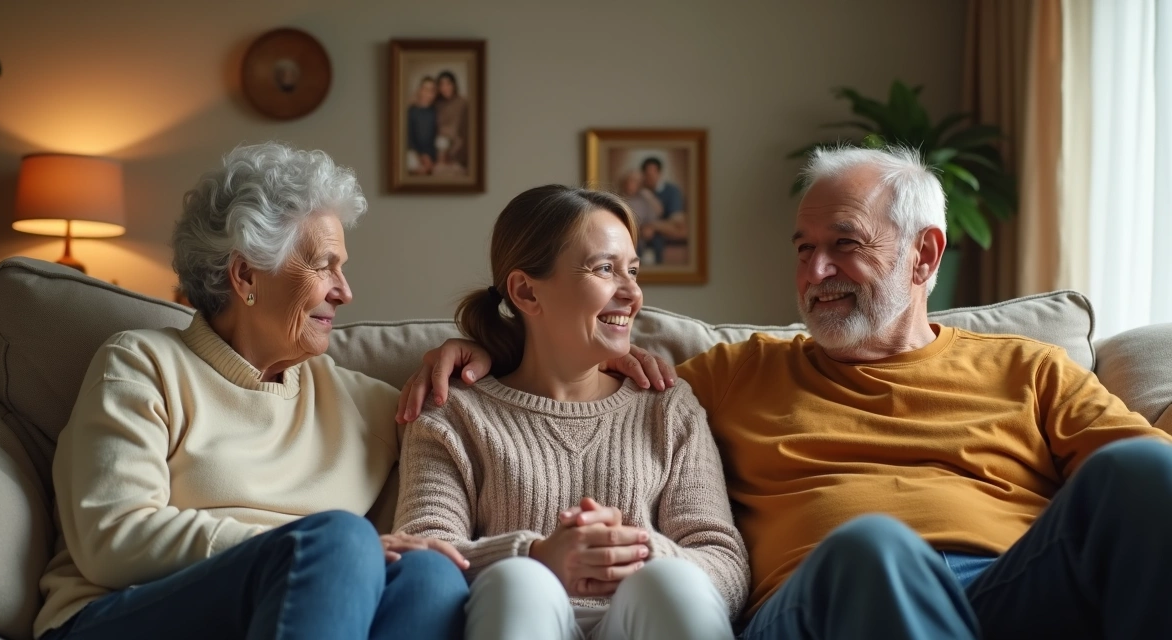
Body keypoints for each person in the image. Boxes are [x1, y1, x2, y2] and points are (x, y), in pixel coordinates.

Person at [398, 146, 1172, 639]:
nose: (816, 273)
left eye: (844, 245)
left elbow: (1149, 487)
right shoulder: (734, 374)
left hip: (1006, 587)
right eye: (805, 250)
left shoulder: (1028, 368)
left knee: (1140, 473)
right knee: (875, 547)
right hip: (832, 599)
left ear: (924, 254)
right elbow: (583, 379)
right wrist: (483, 347)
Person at [34, 142, 470, 640]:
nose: (344, 291)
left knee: (430, 578)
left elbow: (489, 419)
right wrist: (299, 546)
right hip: (117, 616)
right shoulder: (141, 364)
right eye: (324, 265)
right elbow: (111, 539)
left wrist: (479, 354)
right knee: (342, 541)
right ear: (244, 275)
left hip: (300, 609)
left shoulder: (364, 404)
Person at [393, 185, 749, 640]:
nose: (632, 293)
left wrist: (638, 551)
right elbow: (420, 558)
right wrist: (538, 555)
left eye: (633, 271)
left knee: (672, 579)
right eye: (605, 269)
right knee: (520, 580)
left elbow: (726, 564)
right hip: (516, 616)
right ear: (526, 291)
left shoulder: (667, 407)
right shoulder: (452, 413)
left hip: (642, 619)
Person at [639, 157, 688, 264]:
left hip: (665, 229)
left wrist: (652, 226)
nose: (650, 177)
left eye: (653, 173)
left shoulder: (672, 191)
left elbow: (676, 221)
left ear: (659, 173)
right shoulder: (639, 191)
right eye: (647, 174)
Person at [615, 169, 664, 261]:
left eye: (636, 182)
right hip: (625, 232)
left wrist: (650, 228)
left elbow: (654, 216)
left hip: (642, 232)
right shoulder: (617, 199)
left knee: (657, 241)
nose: (633, 184)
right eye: (631, 180)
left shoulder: (643, 200)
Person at [434, 71, 469, 171]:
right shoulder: (437, 104)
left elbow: (465, 130)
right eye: (441, 85)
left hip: (458, 145)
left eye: (448, 84)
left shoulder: (463, 103)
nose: (445, 88)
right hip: (439, 145)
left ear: (453, 85)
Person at [407, 76, 438, 175]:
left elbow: (435, 137)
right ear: (420, 90)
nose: (428, 93)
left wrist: (429, 156)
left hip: (431, 154)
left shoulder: (435, 112)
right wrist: (421, 155)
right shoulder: (411, 111)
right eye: (425, 89)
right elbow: (409, 137)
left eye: (431, 90)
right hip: (414, 152)